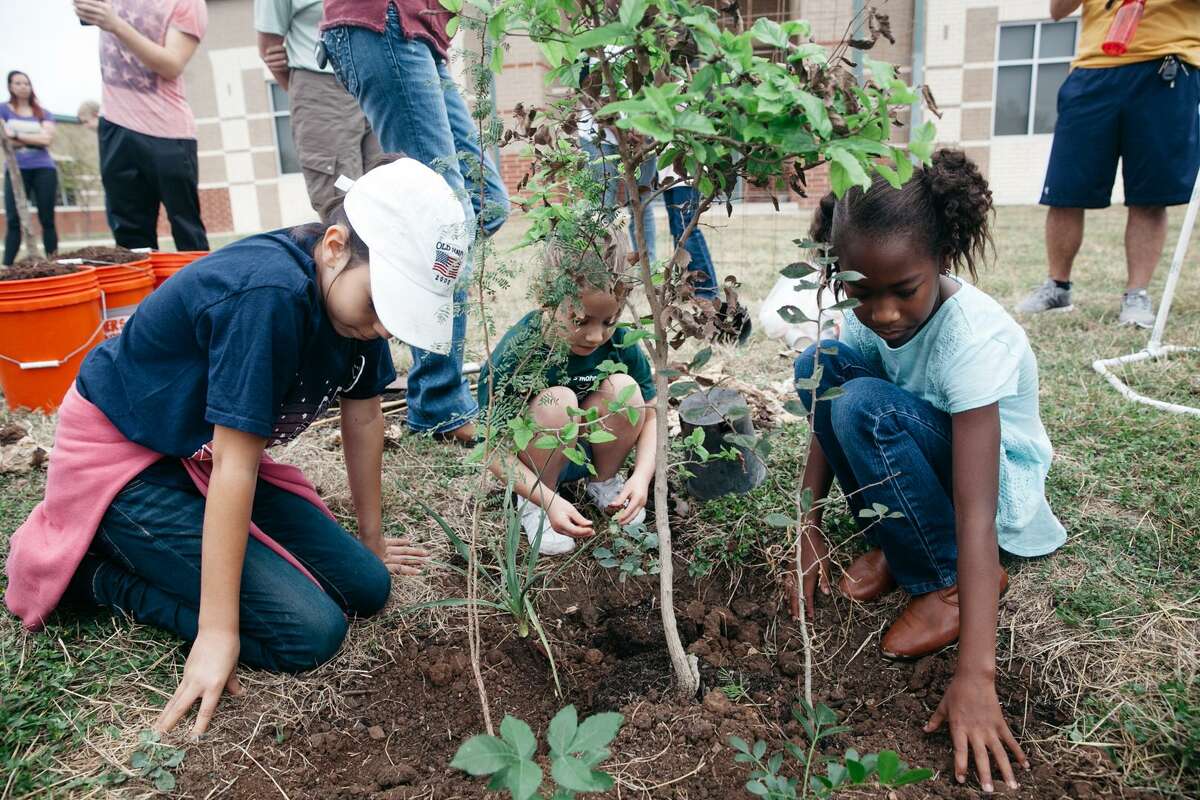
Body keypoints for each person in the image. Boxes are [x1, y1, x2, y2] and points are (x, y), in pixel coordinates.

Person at [4, 156, 466, 738]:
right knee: (308, 633)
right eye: (380, 304)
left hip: (191, 453)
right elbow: (236, 467)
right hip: (125, 461)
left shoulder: (357, 311)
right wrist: (218, 631)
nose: (382, 328)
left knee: (368, 586)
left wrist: (371, 540)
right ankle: (95, 575)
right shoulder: (266, 296)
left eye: (398, 315)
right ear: (334, 245)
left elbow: (366, 415)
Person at [792, 150, 1065, 793]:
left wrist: (976, 675)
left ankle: (942, 579)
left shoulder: (971, 338)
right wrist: (804, 528)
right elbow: (826, 409)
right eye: (860, 292)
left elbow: (978, 507)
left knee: (864, 407)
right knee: (820, 368)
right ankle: (902, 536)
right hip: (925, 460)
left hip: (989, 484)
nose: (882, 313)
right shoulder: (872, 318)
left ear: (942, 256)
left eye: (901, 290)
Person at [320, 0, 511, 442]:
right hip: (381, 21)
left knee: (487, 204)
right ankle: (439, 403)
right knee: (447, 220)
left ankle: (410, 312)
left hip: (423, 31)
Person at [1016, 0, 1200, 328]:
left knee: (1150, 195)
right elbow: (1057, 10)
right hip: (1092, 70)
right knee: (1064, 188)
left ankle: (1136, 294)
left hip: (1165, 64)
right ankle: (1057, 287)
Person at [477, 227, 657, 554]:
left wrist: (642, 478)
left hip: (590, 452)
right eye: (580, 320)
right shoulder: (519, 353)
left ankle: (604, 483)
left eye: (609, 320)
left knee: (627, 391)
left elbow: (654, 411)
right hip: (535, 463)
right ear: (548, 297)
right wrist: (545, 498)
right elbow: (491, 447)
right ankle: (535, 506)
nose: (594, 336)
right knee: (557, 402)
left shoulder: (621, 344)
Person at [73, 0, 211, 252]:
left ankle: (199, 291)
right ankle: (139, 293)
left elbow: (172, 65)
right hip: (115, 125)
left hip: (168, 132)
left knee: (186, 228)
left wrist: (115, 24)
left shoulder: (188, 3)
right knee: (129, 235)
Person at [254, 0, 381, 218]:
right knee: (342, 206)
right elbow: (269, 47)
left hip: (378, 82)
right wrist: (305, 92)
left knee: (388, 189)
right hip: (322, 85)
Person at [2, 71, 58, 265]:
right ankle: (6, 266)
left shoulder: (43, 113)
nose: (23, 86)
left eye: (26, 83)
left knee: (47, 219)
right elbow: (4, 139)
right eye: (18, 83)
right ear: (10, 86)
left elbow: (47, 139)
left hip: (44, 169)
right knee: (13, 220)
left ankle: (54, 261)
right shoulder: (3, 110)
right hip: (16, 170)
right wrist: (34, 138)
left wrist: (15, 134)